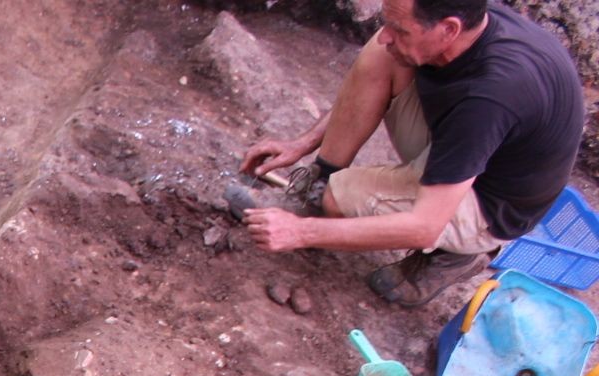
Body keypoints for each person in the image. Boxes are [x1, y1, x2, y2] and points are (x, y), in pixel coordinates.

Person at [228, 0, 583, 306]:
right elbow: (383, 62)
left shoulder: (490, 97)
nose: (386, 33)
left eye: (399, 27)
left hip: (489, 202)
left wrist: (301, 233)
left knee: (341, 198)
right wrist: (303, 144)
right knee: (383, 53)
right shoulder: (465, 20)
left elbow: (424, 227)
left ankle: (462, 253)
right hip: (469, 143)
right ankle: (316, 186)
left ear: (448, 29)